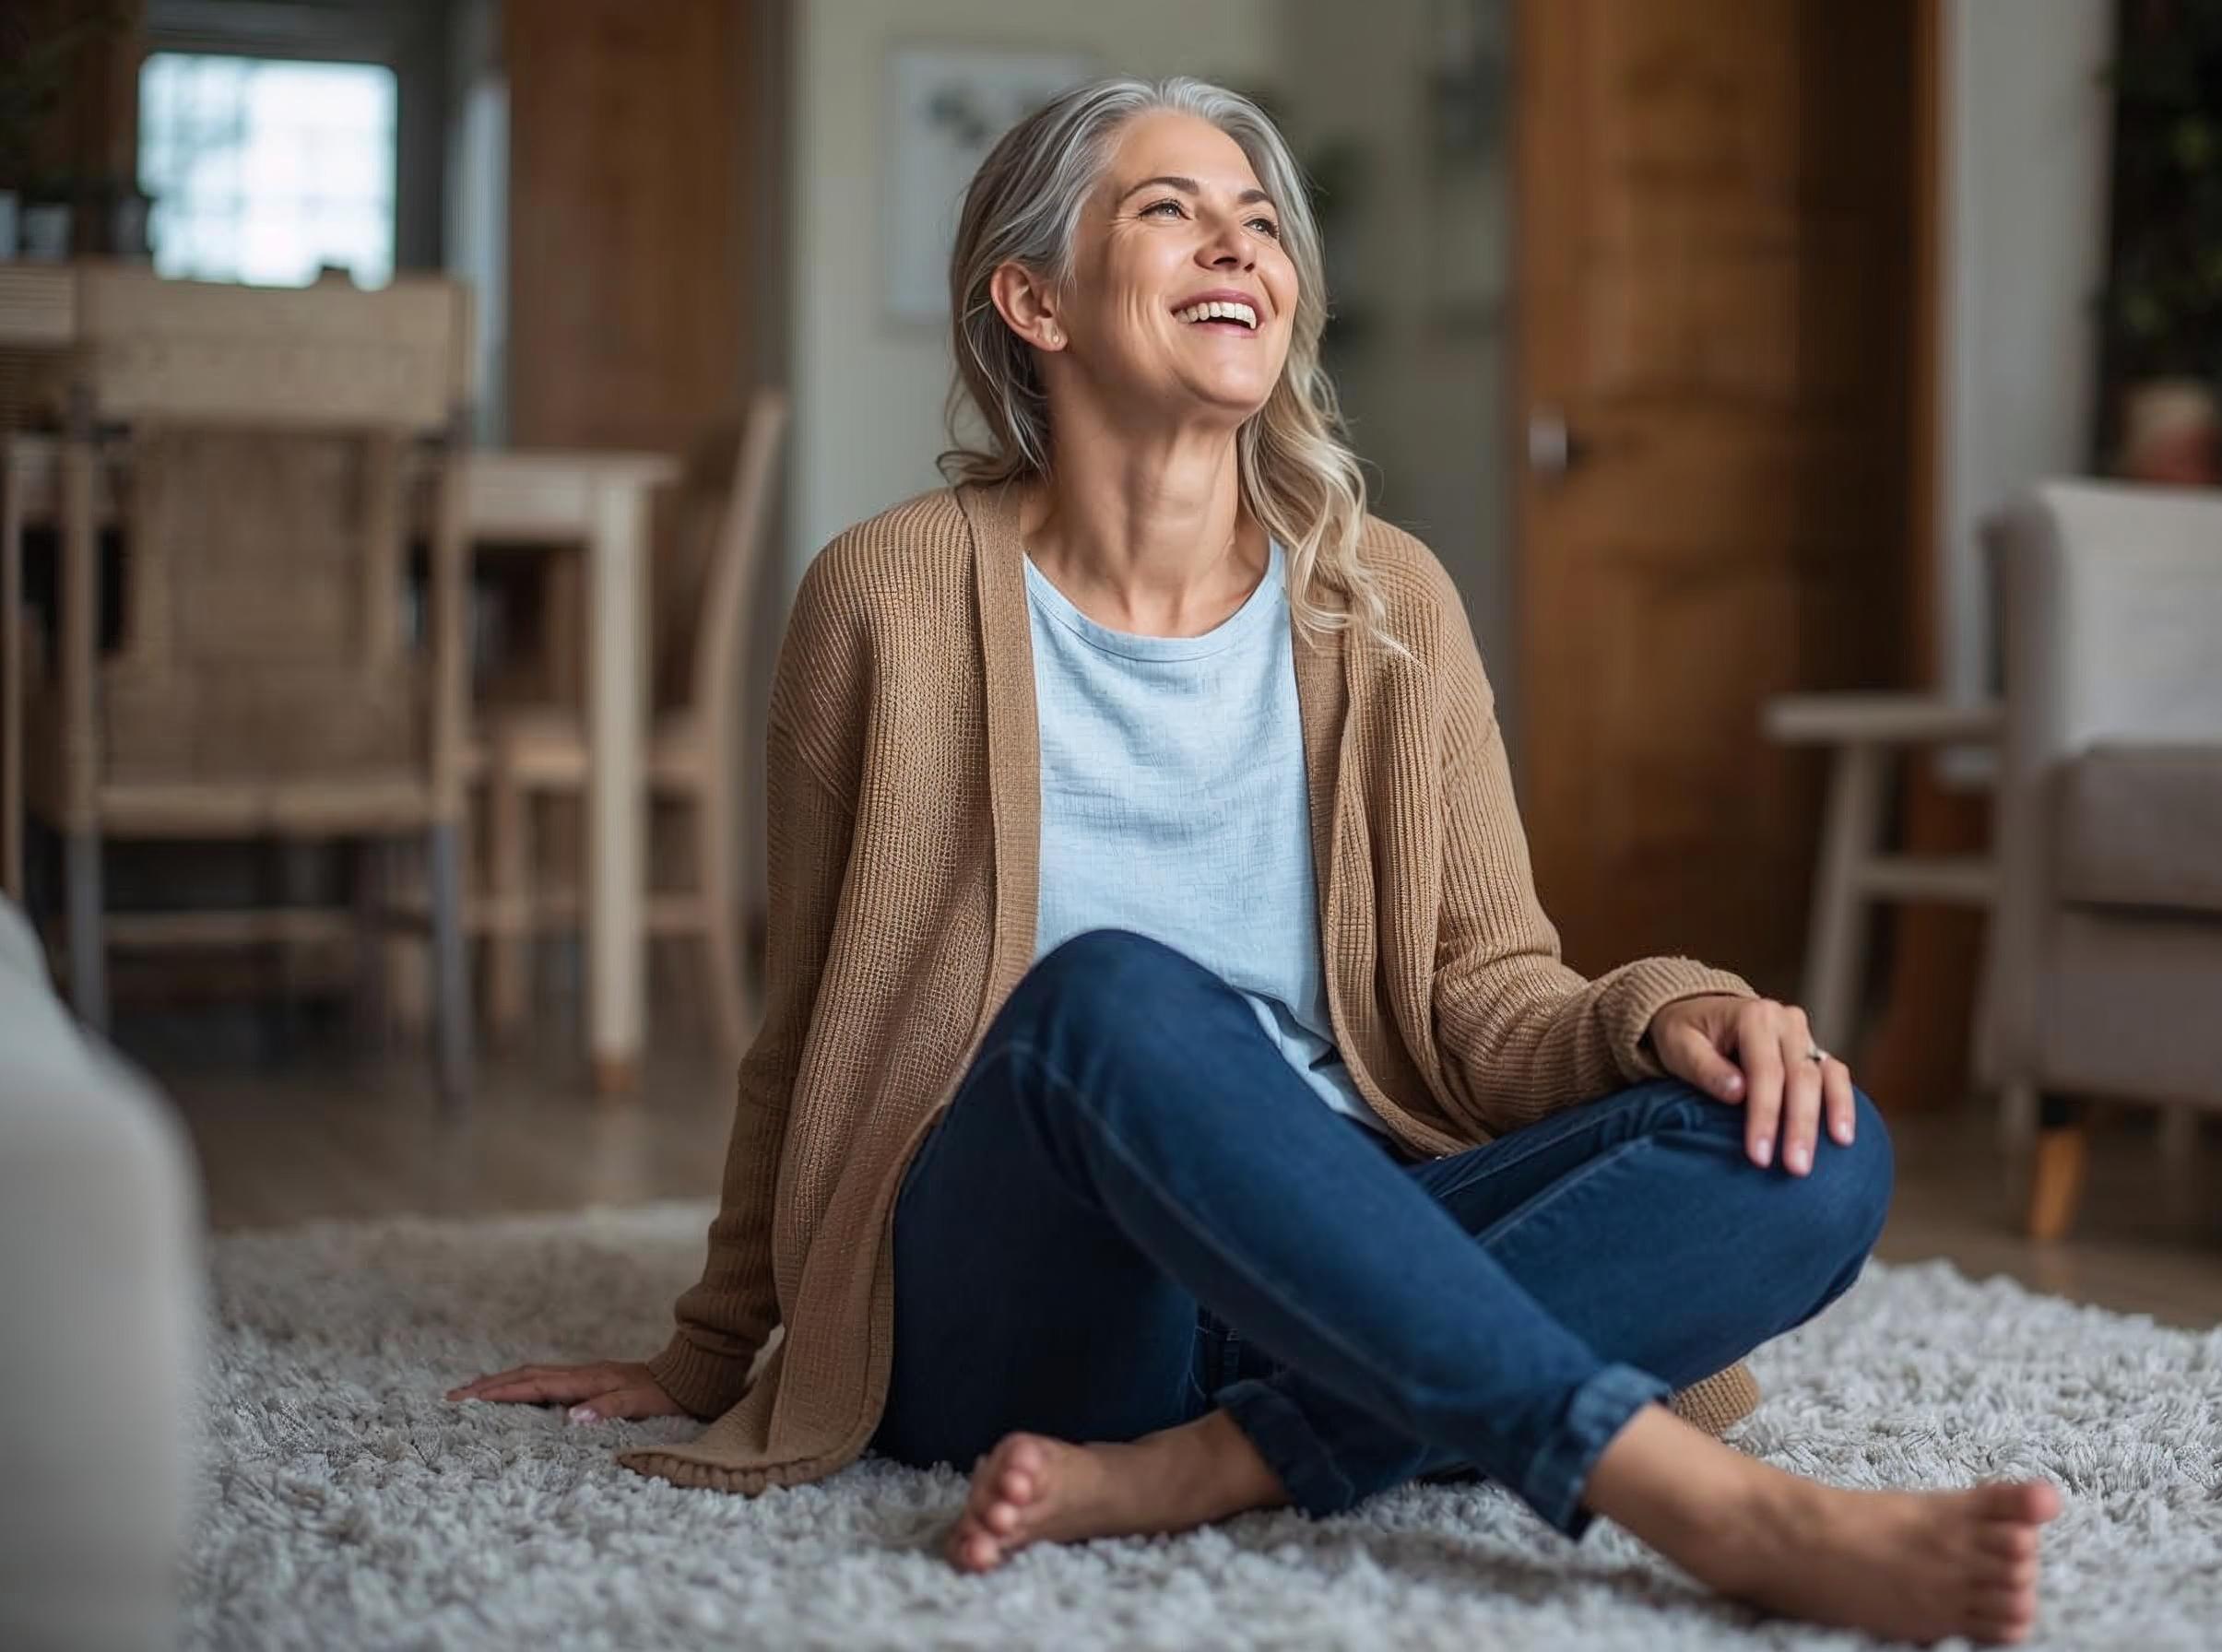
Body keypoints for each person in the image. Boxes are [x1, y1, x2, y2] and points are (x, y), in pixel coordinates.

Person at [447, 76, 2059, 1645]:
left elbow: (1487, 987)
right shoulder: (885, 599)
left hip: (1342, 1241)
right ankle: (1695, 1505)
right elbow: (810, 1016)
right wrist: (715, 1343)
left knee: (1810, 1143)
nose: (1241, 248)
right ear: (1036, 300)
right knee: (1121, 1001)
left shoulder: (1389, 600)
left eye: (1260, 221)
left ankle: (1216, 1465)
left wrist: (1669, 1017)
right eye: (1171, 212)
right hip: (1034, 1281)